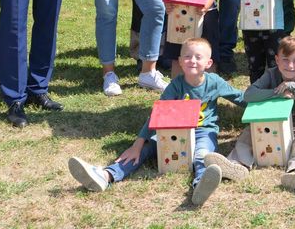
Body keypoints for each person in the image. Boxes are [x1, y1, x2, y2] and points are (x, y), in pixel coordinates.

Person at [66, 37, 245, 206]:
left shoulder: (215, 82)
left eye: (198, 57)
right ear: (180, 61)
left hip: (203, 131)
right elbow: (157, 115)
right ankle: (106, 175)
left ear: (208, 63)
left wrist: (263, 102)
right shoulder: (175, 85)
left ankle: (201, 184)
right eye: (188, 56)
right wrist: (137, 144)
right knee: (143, 150)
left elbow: (239, 98)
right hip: (171, 132)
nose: (192, 60)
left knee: (203, 154)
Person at [203, 36, 295, 192]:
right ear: (277, 60)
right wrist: (277, 93)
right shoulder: (271, 74)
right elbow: (249, 95)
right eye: (285, 60)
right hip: (271, 120)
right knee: (249, 134)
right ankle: (236, 165)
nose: (290, 65)